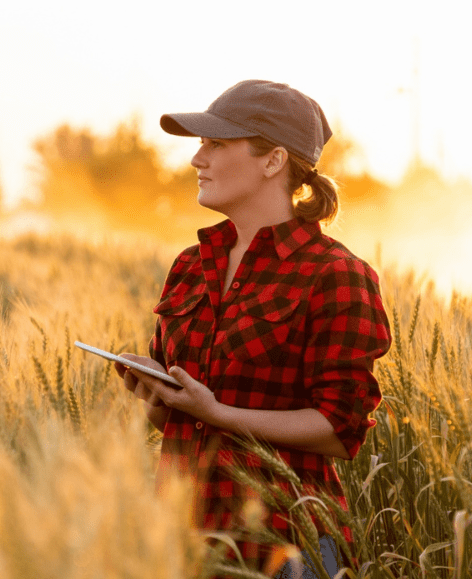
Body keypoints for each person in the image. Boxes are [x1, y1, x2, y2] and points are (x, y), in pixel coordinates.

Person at [117, 79, 392, 577]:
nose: (197, 159)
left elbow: (340, 429)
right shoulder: (189, 265)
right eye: (201, 144)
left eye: (216, 144)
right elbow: (183, 425)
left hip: (286, 549)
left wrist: (217, 411)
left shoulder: (334, 274)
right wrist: (159, 397)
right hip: (184, 541)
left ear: (273, 161)